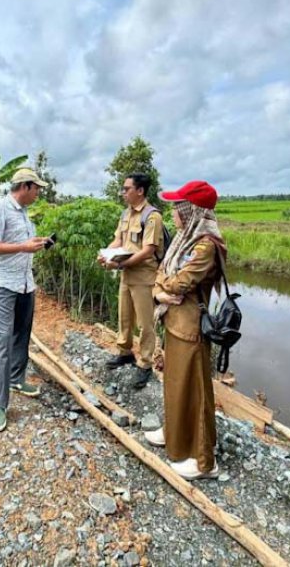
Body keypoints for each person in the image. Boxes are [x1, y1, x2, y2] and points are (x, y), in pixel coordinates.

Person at [144, 180, 226, 480]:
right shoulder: (184, 241)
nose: (173, 214)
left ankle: (204, 461)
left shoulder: (205, 246)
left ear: (192, 212)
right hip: (175, 322)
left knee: (195, 391)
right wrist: (160, 292)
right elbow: (164, 274)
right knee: (175, 384)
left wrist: (162, 289)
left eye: (178, 208)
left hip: (191, 327)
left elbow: (182, 282)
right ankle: (174, 434)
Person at [0, 168, 51, 432]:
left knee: (22, 334)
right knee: (3, 340)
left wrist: (37, 242)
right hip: (4, 284)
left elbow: (23, 243)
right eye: (37, 189)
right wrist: (23, 247)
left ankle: (16, 379)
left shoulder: (24, 214)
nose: (38, 193)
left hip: (25, 283)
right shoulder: (0, 208)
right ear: (25, 186)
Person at [98, 173, 164, 389]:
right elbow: (119, 239)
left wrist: (118, 264)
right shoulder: (126, 214)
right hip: (127, 273)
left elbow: (148, 251)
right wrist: (107, 253)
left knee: (145, 323)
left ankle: (145, 364)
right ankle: (125, 352)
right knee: (124, 316)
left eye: (127, 189)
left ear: (140, 191)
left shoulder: (152, 217)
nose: (123, 192)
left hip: (144, 276)